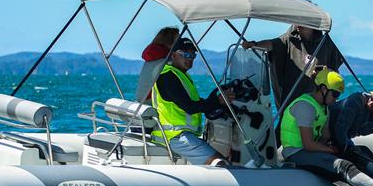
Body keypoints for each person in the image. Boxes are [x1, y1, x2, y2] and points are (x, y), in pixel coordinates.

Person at [280, 70, 373, 186]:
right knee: (344, 165)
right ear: (323, 89)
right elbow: (308, 144)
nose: (337, 98)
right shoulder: (305, 107)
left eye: (339, 95)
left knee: (356, 154)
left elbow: (325, 137)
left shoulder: (324, 108)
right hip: (296, 153)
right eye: (335, 94)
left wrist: (336, 148)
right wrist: (331, 151)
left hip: (311, 150)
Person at [151, 38, 235, 166]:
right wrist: (217, 101)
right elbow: (190, 107)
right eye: (186, 54)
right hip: (175, 136)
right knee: (221, 164)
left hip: (180, 135)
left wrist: (216, 102)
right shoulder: (168, 77)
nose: (190, 58)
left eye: (193, 55)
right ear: (173, 55)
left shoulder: (180, 75)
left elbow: (194, 103)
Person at [242, 24, 344, 109]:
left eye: (303, 21)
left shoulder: (325, 43)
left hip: (318, 101)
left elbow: (334, 70)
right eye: (297, 21)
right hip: (292, 101)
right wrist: (254, 44)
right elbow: (272, 44)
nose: (298, 24)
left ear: (312, 24)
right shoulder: (288, 39)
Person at [134, 26, 180, 104]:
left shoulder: (153, 57)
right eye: (178, 40)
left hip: (141, 102)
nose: (180, 43)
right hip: (152, 102)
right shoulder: (167, 61)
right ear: (169, 41)